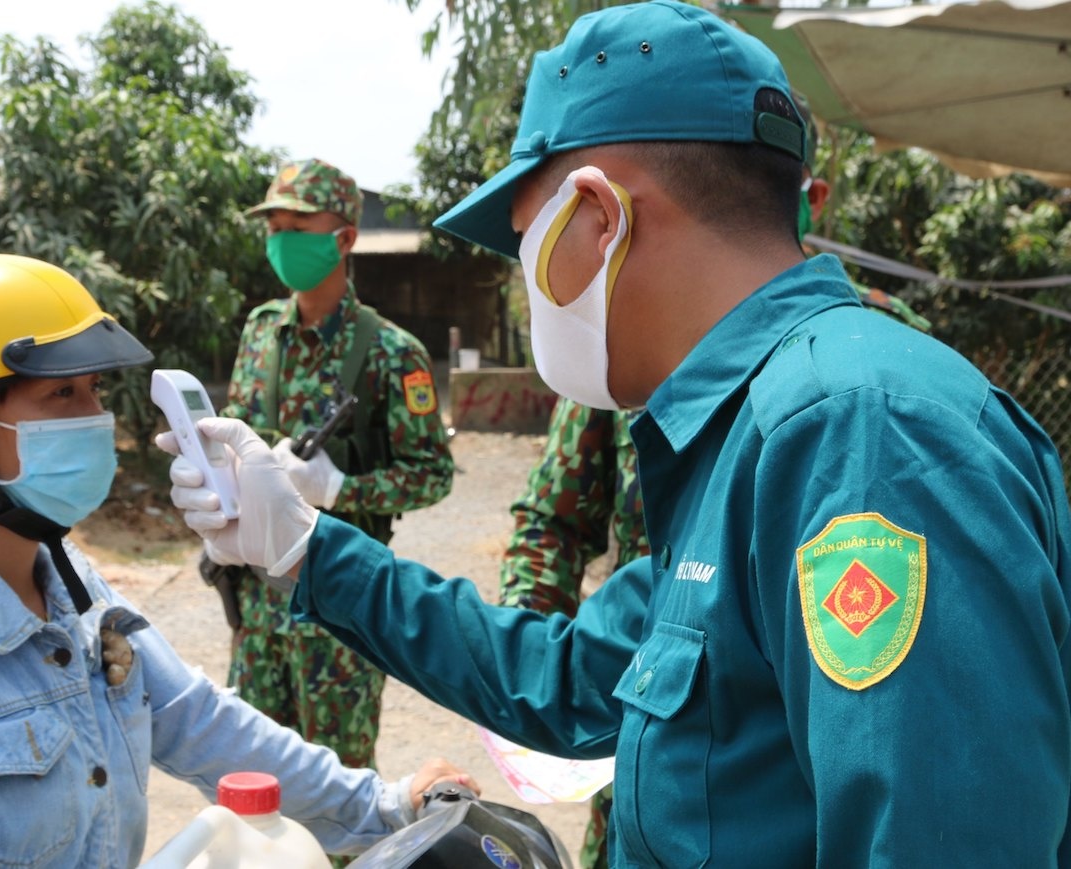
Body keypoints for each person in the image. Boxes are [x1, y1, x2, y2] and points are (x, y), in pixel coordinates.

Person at [163, 3, 1071, 865]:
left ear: (598, 218)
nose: (528, 282)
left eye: (525, 242)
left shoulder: (860, 436)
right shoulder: (737, 434)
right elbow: (563, 676)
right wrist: (305, 547)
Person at [0, 253, 477, 868]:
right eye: (62, 394)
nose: (97, 417)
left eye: (94, 389)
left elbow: (199, 721)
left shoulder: (71, 588)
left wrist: (385, 805)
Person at [495, 90, 932, 869]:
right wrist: (535, 654)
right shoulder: (629, 351)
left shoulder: (873, 380)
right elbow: (552, 523)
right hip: (649, 703)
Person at [209, 157, 454, 780]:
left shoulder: (392, 352)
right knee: (254, 781)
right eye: (274, 228)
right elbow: (235, 432)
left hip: (343, 607)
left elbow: (432, 472)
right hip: (258, 604)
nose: (281, 240)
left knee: (340, 788)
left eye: (298, 227)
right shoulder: (261, 332)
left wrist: (342, 488)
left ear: (344, 239)